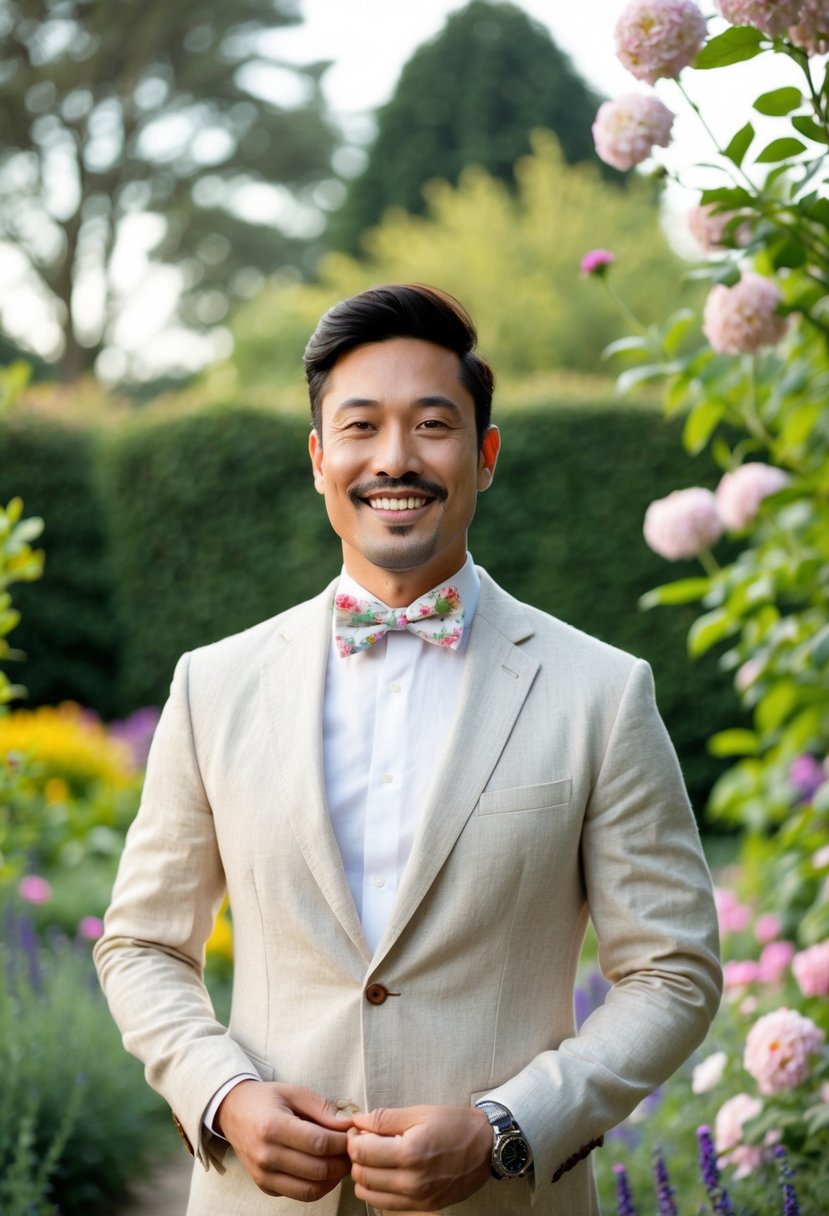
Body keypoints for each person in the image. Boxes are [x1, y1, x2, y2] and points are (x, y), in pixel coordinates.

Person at [95, 283, 722, 1216]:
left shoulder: (601, 691)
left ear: (484, 455)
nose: (395, 459)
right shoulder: (213, 685)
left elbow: (673, 971)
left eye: (432, 425)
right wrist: (221, 1095)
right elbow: (143, 943)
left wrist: (509, 1127)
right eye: (360, 427)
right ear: (319, 458)